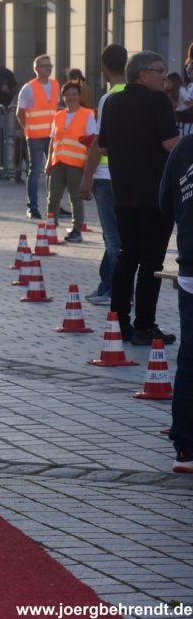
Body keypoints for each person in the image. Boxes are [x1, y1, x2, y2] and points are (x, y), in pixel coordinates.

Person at [98, 51, 180, 345]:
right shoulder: (158, 101)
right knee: (151, 262)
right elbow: (171, 144)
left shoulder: (112, 102)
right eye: (160, 70)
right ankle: (144, 325)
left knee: (127, 256)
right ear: (142, 74)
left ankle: (118, 323)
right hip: (155, 195)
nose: (165, 76)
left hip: (124, 194)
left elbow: (103, 147)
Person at [80, 44, 127, 306]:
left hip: (106, 177)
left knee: (112, 238)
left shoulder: (108, 98)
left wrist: (87, 178)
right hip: (126, 176)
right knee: (115, 235)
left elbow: (99, 142)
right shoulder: (135, 94)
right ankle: (106, 285)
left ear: (103, 67)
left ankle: (115, 291)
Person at [159, 132, 193, 473]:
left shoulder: (184, 148)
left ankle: (185, 448)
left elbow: (165, 202)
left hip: (190, 267)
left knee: (189, 359)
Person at [45, 81, 94, 243]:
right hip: (58, 162)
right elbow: (53, 141)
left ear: (79, 96)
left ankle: (76, 230)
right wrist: (49, 161)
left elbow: (91, 142)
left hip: (76, 164)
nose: (71, 97)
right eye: (67, 94)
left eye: (74, 94)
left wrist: (88, 166)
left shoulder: (87, 115)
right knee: (53, 197)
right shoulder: (58, 116)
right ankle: (51, 227)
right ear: (63, 97)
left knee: (75, 197)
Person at [16, 55, 60, 219]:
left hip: (52, 136)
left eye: (49, 65)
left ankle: (53, 206)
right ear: (36, 69)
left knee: (53, 171)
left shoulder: (55, 85)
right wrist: (27, 128)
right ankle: (32, 208)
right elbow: (19, 112)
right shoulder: (28, 88)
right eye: (44, 66)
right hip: (35, 136)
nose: (48, 68)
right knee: (35, 172)